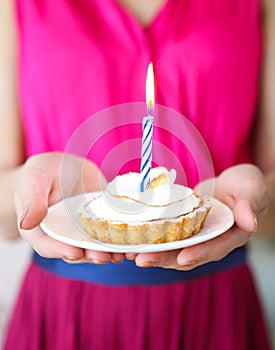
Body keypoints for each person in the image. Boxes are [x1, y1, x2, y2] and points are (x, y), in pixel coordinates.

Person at [0, 0, 274, 349]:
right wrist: (26, 192)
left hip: (214, 311)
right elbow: (3, 208)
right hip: (65, 312)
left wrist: (249, 203)